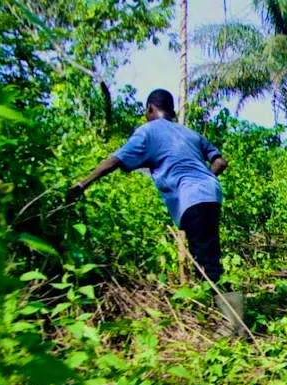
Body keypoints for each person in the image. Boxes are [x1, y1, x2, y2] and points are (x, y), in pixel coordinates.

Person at [66, 89, 245, 337]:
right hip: (210, 193)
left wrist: (82, 184)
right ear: (170, 110)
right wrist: (203, 179)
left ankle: (234, 326)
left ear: (150, 109)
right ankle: (221, 317)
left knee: (206, 261)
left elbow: (116, 160)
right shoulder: (190, 133)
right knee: (205, 255)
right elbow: (220, 162)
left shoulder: (148, 131)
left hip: (192, 197)